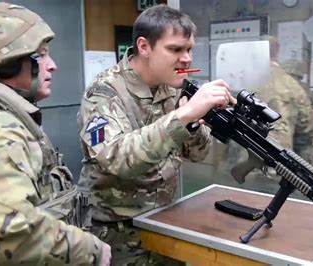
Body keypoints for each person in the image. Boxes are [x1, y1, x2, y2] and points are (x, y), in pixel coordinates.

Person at [77, 4, 235, 265]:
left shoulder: (173, 88)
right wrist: (183, 116)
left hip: (165, 221)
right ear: (144, 46)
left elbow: (199, 153)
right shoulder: (104, 93)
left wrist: (194, 123)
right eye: (175, 49)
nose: (186, 58)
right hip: (116, 233)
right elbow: (115, 159)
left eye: (189, 49)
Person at [0, 3, 111, 265]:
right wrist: (89, 250)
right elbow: (0, 231)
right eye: (41, 55)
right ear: (6, 64)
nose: (52, 65)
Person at [256, 36, 313, 159]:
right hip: (277, 160)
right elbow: (305, 124)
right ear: (277, 53)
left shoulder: (243, 80)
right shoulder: (291, 85)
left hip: (240, 161)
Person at [282, 59, 313, 160]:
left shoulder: (298, 88)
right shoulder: (302, 88)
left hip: (297, 136)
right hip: (296, 135)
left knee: (296, 164)